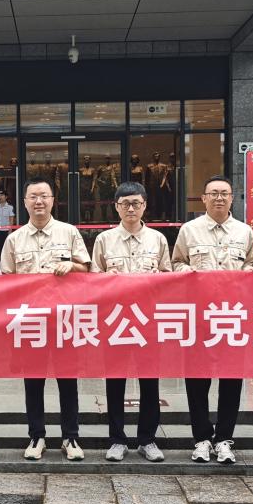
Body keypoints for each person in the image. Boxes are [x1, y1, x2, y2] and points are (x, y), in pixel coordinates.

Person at [0, 179, 91, 461]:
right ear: (25, 202)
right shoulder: (14, 239)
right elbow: (5, 280)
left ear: (53, 200)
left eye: (44, 196)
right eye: (33, 197)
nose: (39, 201)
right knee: (33, 382)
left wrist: (72, 265)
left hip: (65, 319)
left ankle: (70, 437)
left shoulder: (69, 232)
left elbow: (88, 269)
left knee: (68, 381)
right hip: (30, 320)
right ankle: (36, 436)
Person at [171, 174, 253, 465]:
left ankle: (224, 440)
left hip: (232, 317)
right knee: (197, 381)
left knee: (232, 381)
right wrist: (186, 273)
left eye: (224, 193)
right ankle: (202, 439)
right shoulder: (189, 230)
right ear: (204, 199)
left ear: (232, 198)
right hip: (199, 318)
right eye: (213, 193)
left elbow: (252, 263)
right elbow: (176, 262)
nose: (219, 198)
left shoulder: (245, 231)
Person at [92, 181, 171, 463]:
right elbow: (93, 279)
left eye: (136, 203)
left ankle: (147, 440)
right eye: (125, 204)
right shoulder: (104, 240)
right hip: (116, 321)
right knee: (115, 382)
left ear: (145, 205)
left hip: (148, 321)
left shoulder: (158, 240)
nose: (130, 209)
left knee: (150, 382)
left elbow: (168, 277)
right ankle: (117, 439)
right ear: (116, 207)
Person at [0, 189, 15, 254]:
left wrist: (10, 231)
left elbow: (11, 219)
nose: (0, 197)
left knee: (6, 249)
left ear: (6, 197)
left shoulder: (10, 207)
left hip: (6, 231)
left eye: (2, 195)